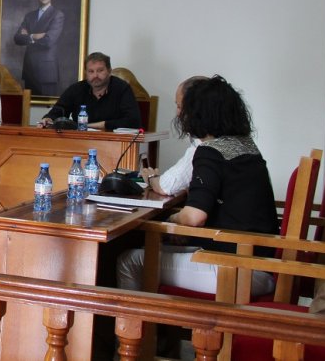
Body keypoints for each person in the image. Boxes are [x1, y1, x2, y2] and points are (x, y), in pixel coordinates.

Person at [116, 75, 279, 297]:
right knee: (150, 247)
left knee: (130, 260)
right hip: (262, 263)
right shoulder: (246, 144)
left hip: (235, 269)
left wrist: (172, 221)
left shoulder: (210, 151)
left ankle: (134, 332)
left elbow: (194, 217)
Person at [39, 52, 141, 130]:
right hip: (80, 142)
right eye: (91, 71)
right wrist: (49, 119)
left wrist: (88, 126)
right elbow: (59, 110)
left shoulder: (122, 89)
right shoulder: (76, 89)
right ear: (86, 73)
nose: (95, 76)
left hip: (114, 143)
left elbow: (133, 121)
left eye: (100, 70)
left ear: (109, 71)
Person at [142, 75, 208, 196]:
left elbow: (167, 186)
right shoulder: (240, 139)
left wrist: (151, 177)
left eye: (179, 106)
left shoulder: (205, 144)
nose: (178, 113)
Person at [13, 0, 65, 96]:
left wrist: (28, 36)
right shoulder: (29, 16)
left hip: (47, 72)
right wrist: (34, 36)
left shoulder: (57, 15)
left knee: (46, 111)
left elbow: (49, 41)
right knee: (28, 110)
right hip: (29, 70)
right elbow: (17, 38)